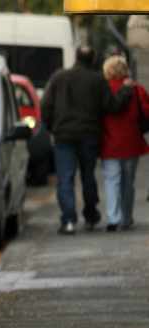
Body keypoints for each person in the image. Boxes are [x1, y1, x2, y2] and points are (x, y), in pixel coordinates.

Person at [42, 45, 133, 235]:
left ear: (75, 57)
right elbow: (112, 106)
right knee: (88, 177)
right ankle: (90, 215)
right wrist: (125, 90)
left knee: (65, 179)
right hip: (89, 135)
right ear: (93, 59)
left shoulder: (59, 77)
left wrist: (52, 127)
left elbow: (46, 105)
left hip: (63, 135)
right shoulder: (98, 80)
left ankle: (68, 221)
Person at [100, 55, 149, 231]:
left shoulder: (103, 90)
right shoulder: (137, 89)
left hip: (109, 142)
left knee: (111, 180)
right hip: (131, 142)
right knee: (128, 182)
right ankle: (127, 218)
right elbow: (147, 112)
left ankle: (113, 218)